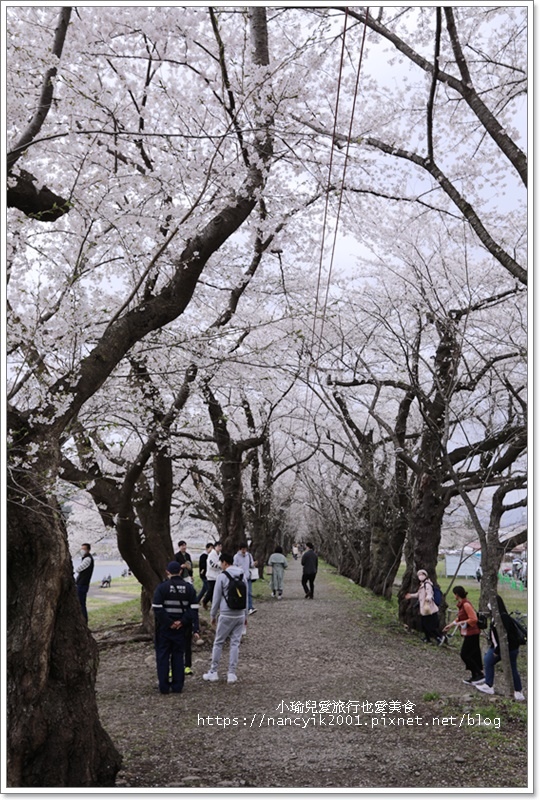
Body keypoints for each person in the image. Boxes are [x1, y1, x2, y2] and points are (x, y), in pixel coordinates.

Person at [152, 561, 200, 694]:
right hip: (182, 629)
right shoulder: (189, 588)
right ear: (180, 571)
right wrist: (182, 622)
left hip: (164, 629)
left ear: (167, 572)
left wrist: (169, 622)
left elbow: (157, 608)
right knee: (178, 656)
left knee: (163, 656)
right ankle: (178, 686)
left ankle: (164, 686)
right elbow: (194, 609)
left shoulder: (162, 588)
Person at [203, 552, 248, 684]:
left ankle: (214, 671)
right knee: (235, 644)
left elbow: (216, 598)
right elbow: (245, 597)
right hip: (239, 614)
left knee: (218, 642)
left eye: (221, 563)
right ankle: (232, 673)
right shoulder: (242, 575)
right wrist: (245, 615)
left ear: (224, 563)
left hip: (226, 613)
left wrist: (212, 615)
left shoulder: (222, 577)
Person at [475, 595, 525, 701]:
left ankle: (518, 691)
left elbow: (505, 635)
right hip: (499, 647)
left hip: (509, 648)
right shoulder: (495, 617)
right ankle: (489, 685)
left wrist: (497, 651)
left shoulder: (503, 617)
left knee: (512, 668)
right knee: (488, 660)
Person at [443, 586, 484, 684]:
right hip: (469, 632)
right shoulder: (462, 605)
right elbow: (460, 618)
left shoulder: (466, 605)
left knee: (465, 654)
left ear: (457, 595)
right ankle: (475, 676)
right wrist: (451, 625)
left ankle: (479, 674)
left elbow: (473, 619)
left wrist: (462, 623)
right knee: (471, 654)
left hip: (472, 632)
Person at [405, 569, 446, 646]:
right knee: (424, 624)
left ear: (426, 575)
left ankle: (439, 637)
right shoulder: (422, 585)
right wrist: (411, 595)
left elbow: (429, 593)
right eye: (419, 575)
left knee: (429, 625)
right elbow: (418, 594)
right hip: (424, 609)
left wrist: (428, 599)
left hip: (429, 609)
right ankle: (427, 638)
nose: (420, 576)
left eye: (422, 574)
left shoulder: (427, 584)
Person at [233, 542, 258, 615]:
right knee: (241, 593)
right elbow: (234, 566)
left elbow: (251, 565)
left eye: (245, 549)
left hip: (248, 576)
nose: (244, 551)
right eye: (243, 549)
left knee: (249, 592)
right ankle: (242, 607)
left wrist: (254, 564)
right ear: (240, 549)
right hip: (240, 578)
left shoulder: (249, 555)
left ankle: (250, 607)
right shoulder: (236, 557)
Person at [74, 543, 94, 622]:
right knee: (80, 603)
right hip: (81, 583)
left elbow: (78, 569)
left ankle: (84, 621)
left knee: (81, 603)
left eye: (84, 549)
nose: (82, 551)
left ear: (88, 550)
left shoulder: (88, 559)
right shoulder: (86, 558)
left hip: (82, 584)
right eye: (81, 549)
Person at [203, 541, 222, 610]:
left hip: (218, 575)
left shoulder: (220, 554)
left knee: (217, 591)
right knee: (211, 590)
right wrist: (219, 565)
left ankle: (217, 604)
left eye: (220, 546)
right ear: (215, 547)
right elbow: (211, 565)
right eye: (218, 546)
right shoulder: (211, 555)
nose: (220, 548)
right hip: (211, 576)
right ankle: (205, 601)